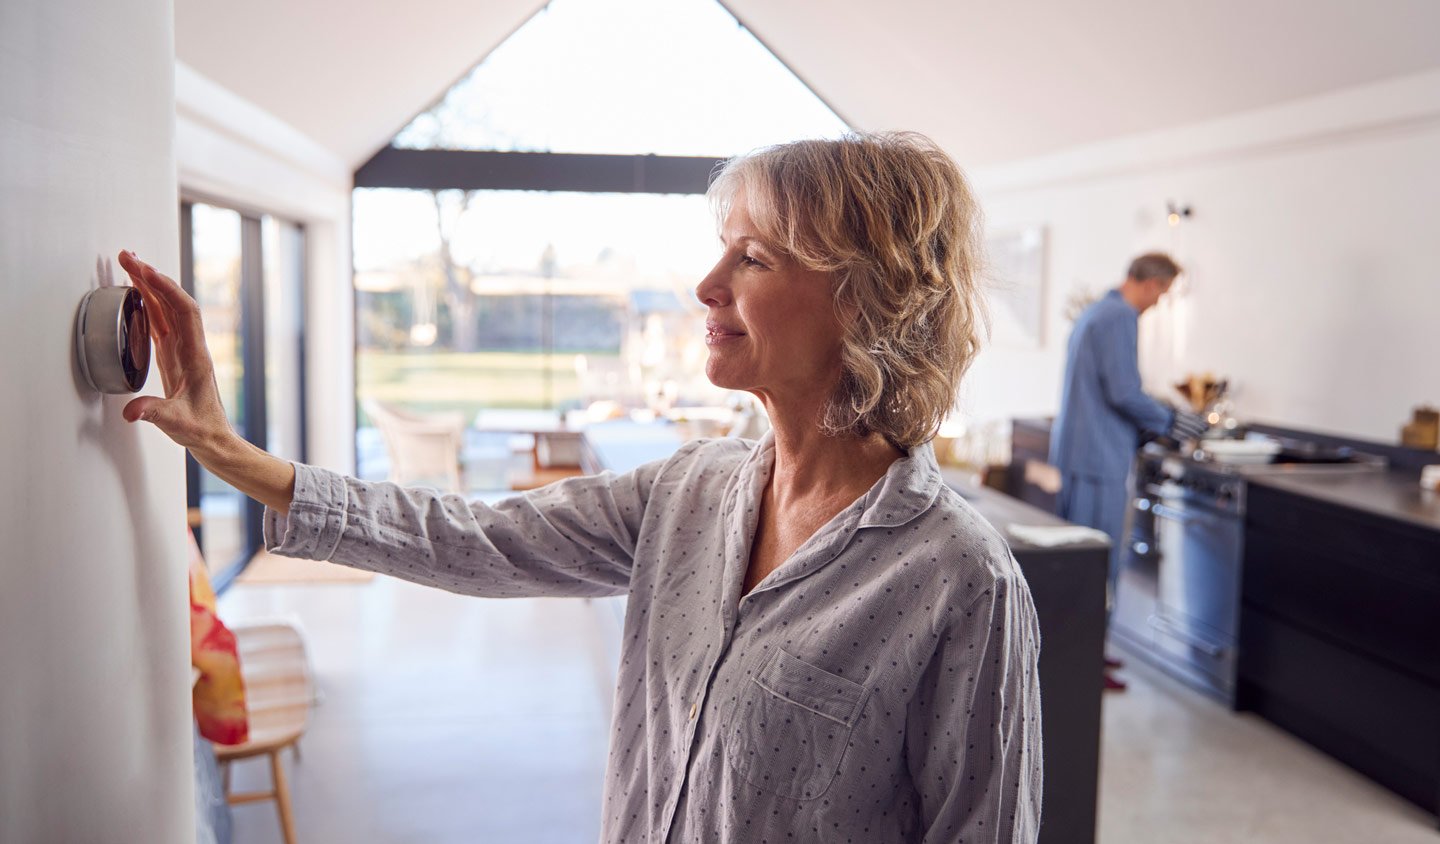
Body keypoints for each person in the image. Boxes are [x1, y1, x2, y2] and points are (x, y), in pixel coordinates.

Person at [119, 132, 1043, 843]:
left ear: (865, 298)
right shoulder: (694, 490)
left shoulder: (960, 583)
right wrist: (238, 458)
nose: (705, 284)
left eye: (753, 259)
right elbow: (471, 538)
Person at [1048, 252, 1206, 692]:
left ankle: (1085, 654)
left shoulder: (1095, 312)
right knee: (1098, 564)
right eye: (1164, 293)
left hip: (1080, 453)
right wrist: (1172, 420)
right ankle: (1083, 664)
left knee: (1082, 560)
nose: (1160, 303)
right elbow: (1123, 391)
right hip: (1098, 459)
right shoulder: (1119, 317)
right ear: (1152, 285)